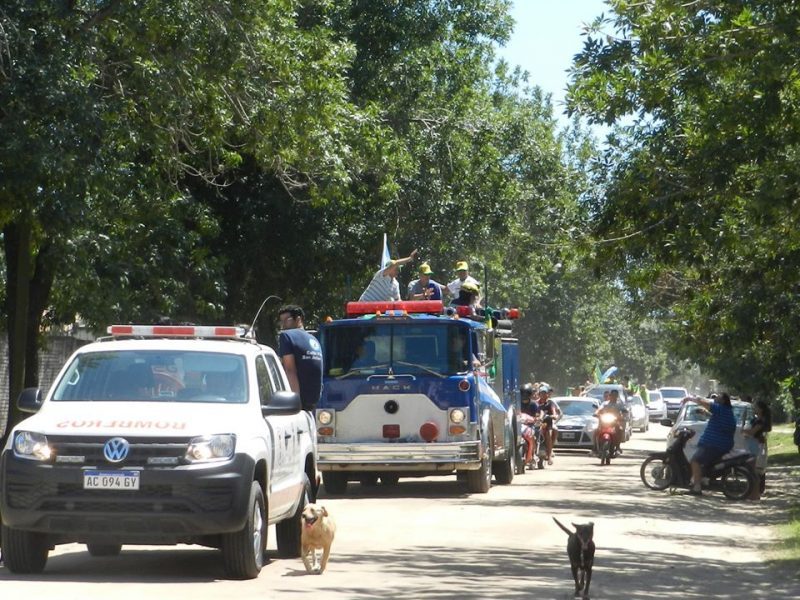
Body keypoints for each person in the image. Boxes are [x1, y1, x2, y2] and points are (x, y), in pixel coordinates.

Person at [682, 392, 736, 496]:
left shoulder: (719, 408)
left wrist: (690, 398)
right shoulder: (727, 411)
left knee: (695, 460)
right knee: (703, 461)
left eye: (718, 397)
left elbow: (703, 402)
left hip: (713, 445)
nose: (716, 398)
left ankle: (697, 487)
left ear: (723, 400)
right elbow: (716, 417)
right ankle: (702, 478)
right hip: (722, 445)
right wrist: (705, 413)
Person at [277, 305, 323, 411]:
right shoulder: (314, 340)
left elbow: (290, 371)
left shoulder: (287, 336)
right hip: (313, 403)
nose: (283, 325)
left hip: (298, 403)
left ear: (298, 319)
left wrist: (294, 404)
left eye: (287, 320)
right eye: (281, 321)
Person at [744, 399, 772, 499]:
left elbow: (752, 432)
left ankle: (755, 494)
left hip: (758, 447)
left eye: (756, 407)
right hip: (756, 445)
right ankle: (755, 492)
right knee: (755, 469)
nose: (754, 408)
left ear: (761, 409)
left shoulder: (761, 421)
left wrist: (743, 430)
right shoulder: (757, 419)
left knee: (755, 470)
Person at [593, 389, 625, 456]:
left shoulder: (619, 404)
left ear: (617, 396)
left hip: (614, 421)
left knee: (620, 429)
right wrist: (596, 413)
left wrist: (622, 416)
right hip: (604, 421)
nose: (613, 397)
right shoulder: (605, 403)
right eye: (612, 395)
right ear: (610, 396)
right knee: (596, 430)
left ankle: (618, 447)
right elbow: (599, 409)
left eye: (615, 395)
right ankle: (595, 448)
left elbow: (623, 411)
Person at [518, 383, 542, 467]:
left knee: (534, 437)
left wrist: (536, 419)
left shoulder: (534, 404)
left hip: (530, 425)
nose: (524, 396)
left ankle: (533, 453)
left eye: (526, 393)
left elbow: (537, 415)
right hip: (520, 425)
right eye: (523, 393)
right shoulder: (517, 403)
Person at [537, 383, 561, 465]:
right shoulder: (536, 403)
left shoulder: (550, 403)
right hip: (538, 423)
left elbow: (555, 414)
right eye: (541, 393)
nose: (543, 395)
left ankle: (549, 455)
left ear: (547, 394)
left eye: (545, 393)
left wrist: (552, 416)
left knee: (548, 435)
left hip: (547, 423)